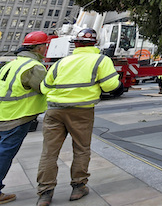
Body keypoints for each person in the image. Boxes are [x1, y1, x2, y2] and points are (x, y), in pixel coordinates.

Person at [36, 28, 121, 206]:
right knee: (81, 149)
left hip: (54, 111)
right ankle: (78, 187)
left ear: (75, 43)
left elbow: (44, 88)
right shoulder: (100, 60)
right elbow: (111, 86)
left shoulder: (61, 62)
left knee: (49, 153)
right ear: (95, 44)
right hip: (81, 112)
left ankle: (45, 193)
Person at [0, 32, 49, 204]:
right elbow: (44, 88)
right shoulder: (34, 67)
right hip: (16, 116)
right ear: (39, 48)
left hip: (3, 113)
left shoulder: (11, 64)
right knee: (5, 153)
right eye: (45, 45)